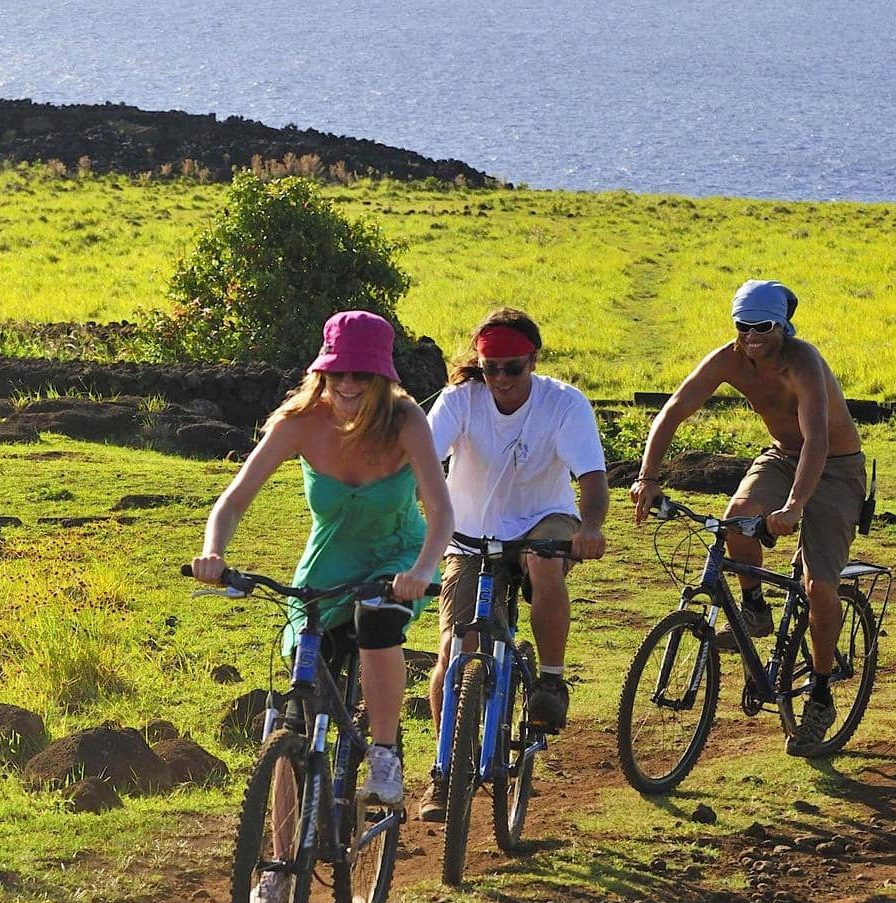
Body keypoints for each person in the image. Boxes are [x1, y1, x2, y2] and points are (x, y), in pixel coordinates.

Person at [192, 310, 454, 832]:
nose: (349, 384)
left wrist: (424, 569)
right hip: (325, 565)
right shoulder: (299, 423)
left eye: (362, 374)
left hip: (395, 558)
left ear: (382, 377)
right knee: (296, 711)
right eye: (339, 373)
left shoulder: (405, 421)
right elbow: (235, 499)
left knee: (378, 621)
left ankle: (383, 755)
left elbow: (441, 513)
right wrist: (213, 552)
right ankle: (277, 863)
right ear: (323, 373)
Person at [630, 278, 866, 757]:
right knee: (735, 517)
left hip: (836, 468)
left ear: (782, 326)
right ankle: (754, 611)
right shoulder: (728, 358)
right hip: (781, 456)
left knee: (819, 585)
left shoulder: (803, 362)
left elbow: (817, 440)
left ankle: (820, 693)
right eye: (744, 326)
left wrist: (795, 507)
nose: (753, 336)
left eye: (763, 326)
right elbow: (674, 409)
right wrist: (647, 476)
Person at [419, 306, 609, 821]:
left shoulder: (564, 404)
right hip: (469, 534)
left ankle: (549, 679)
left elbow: (591, 476)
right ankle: (443, 772)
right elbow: (423, 457)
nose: (500, 379)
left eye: (512, 368)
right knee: (452, 648)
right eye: (490, 368)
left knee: (541, 561)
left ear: (533, 361)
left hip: (543, 521)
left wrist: (589, 528)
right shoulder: (460, 400)